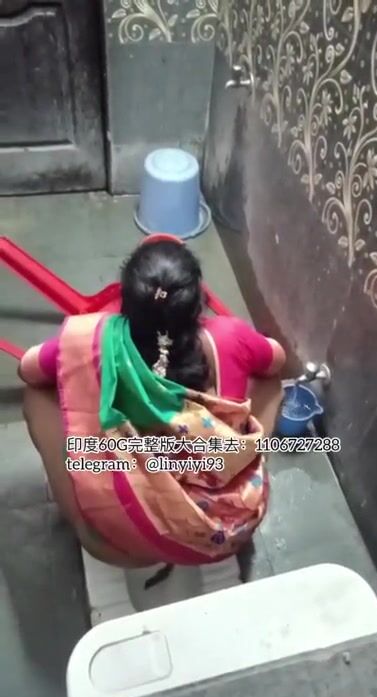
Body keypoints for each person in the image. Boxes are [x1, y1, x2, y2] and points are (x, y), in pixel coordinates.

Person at [20, 238, 286, 569]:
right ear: (197, 305)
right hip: (221, 534)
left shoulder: (92, 338)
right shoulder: (230, 336)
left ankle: (87, 501)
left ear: (125, 304)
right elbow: (276, 359)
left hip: (118, 542)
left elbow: (28, 369)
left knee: (37, 395)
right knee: (269, 381)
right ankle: (240, 470)